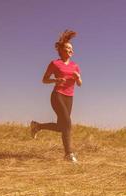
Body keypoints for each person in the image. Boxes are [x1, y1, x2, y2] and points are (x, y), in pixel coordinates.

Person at [30, 29, 82, 163]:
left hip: (69, 97)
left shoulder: (75, 66)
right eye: (68, 48)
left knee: (62, 127)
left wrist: (78, 78)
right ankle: (68, 154)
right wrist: (56, 80)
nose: (71, 51)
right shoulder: (54, 63)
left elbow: (80, 84)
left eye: (72, 49)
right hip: (57, 95)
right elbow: (44, 79)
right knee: (68, 123)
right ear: (61, 50)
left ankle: (38, 126)